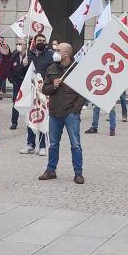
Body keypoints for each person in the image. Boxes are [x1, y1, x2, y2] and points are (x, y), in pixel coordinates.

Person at [39, 43, 86, 184]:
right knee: (53, 144)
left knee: (75, 144)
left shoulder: (77, 68)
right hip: (55, 112)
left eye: (58, 50)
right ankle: (50, 170)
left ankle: (78, 173)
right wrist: (53, 85)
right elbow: (44, 89)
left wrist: (75, 110)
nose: (55, 52)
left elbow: (83, 93)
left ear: (66, 54)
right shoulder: (51, 68)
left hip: (71, 113)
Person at [8, 40, 26, 131]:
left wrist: (25, 65)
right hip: (17, 83)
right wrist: (11, 79)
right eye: (17, 44)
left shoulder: (29, 56)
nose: (18, 45)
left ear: (25, 45)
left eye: (20, 44)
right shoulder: (14, 56)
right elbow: (10, 68)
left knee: (28, 103)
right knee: (15, 103)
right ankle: (14, 122)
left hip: (26, 83)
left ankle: (29, 122)